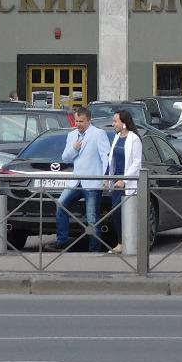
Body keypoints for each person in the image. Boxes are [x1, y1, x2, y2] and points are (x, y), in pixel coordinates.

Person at [54, 105, 109, 252]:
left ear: (89, 120)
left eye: (81, 121)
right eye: (76, 121)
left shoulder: (99, 134)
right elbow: (65, 158)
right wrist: (74, 148)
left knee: (92, 217)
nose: (78, 124)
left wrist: (106, 178)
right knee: (60, 204)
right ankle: (62, 241)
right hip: (76, 181)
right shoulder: (72, 135)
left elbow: (106, 157)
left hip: (92, 182)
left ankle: (94, 249)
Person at [103, 110, 144, 253]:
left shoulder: (134, 139)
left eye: (115, 121)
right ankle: (120, 243)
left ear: (124, 123)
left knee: (128, 212)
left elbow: (137, 163)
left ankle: (131, 243)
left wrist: (124, 179)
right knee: (116, 212)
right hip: (116, 182)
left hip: (128, 182)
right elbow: (111, 159)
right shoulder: (117, 137)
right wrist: (107, 177)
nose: (113, 124)